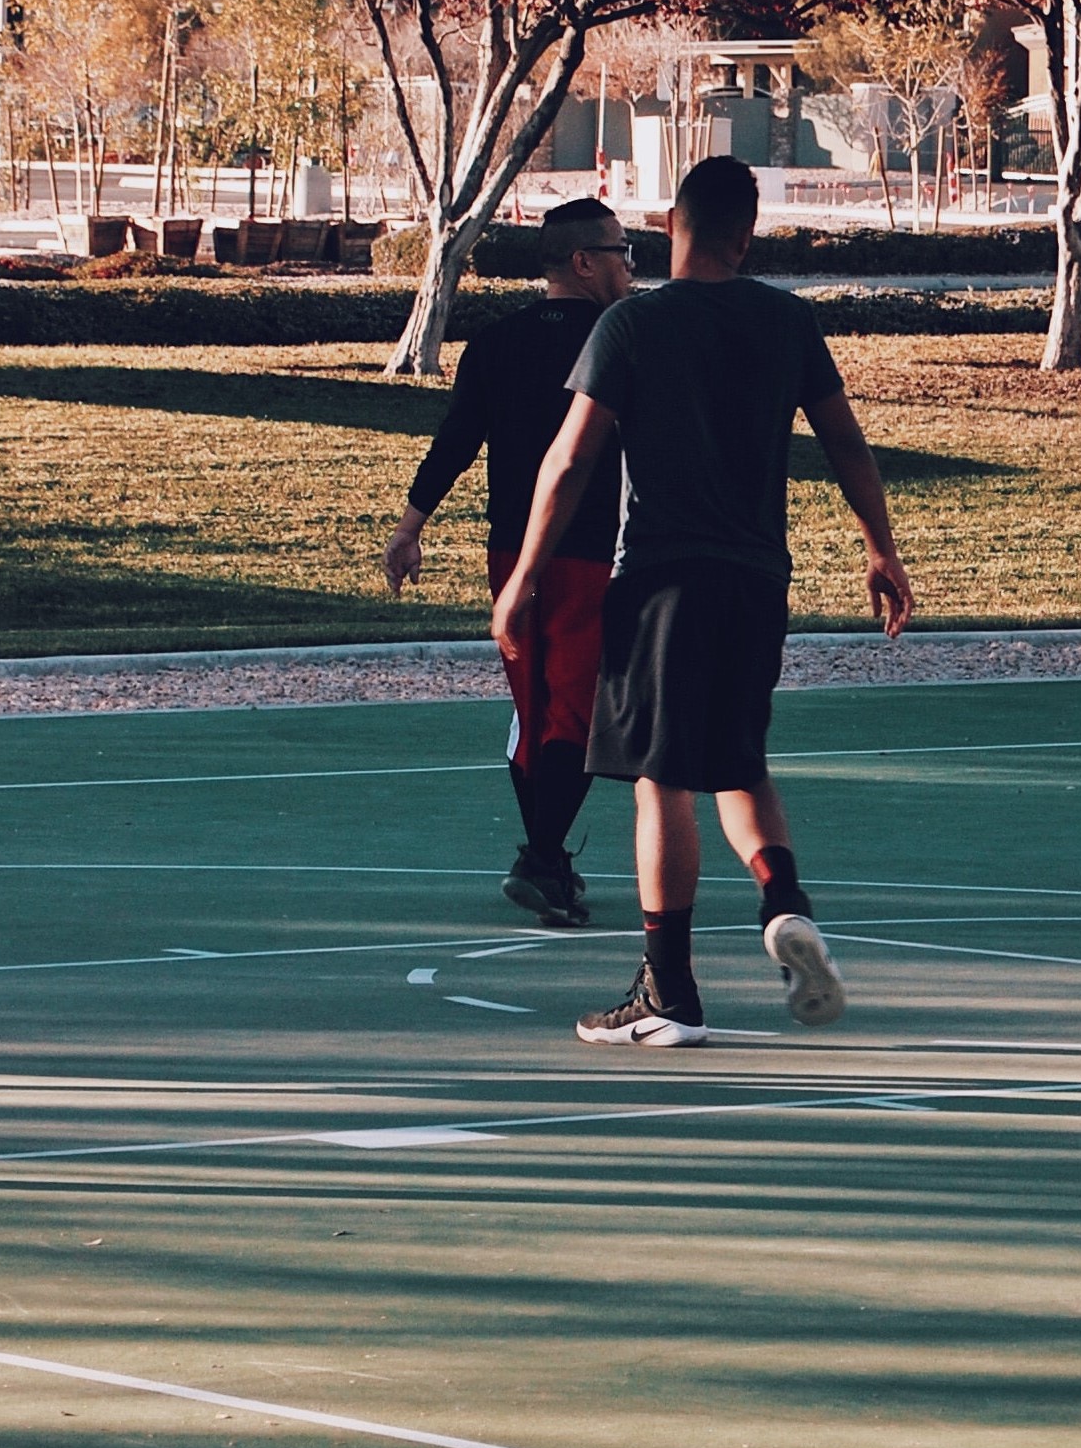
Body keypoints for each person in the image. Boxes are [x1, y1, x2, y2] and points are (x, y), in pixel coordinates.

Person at [498, 154, 916, 1046]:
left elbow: (569, 460)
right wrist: (881, 548)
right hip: (758, 579)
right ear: (746, 237)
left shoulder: (632, 325)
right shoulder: (788, 322)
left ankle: (670, 989)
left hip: (659, 578)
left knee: (661, 780)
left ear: (670, 228)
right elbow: (847, 443)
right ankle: (784, 900)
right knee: (740, 760)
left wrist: (527, 572)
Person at [384, 197, 634, 925]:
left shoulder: (494, 343)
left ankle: (548, 861)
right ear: (584, 261)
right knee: (574, 716)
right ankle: (541, 860)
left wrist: (409, 529)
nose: (629, 266)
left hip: (509, 552)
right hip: (592, 549)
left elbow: (455, 442)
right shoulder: (626, 339)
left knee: (532, 709)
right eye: (621, 251)